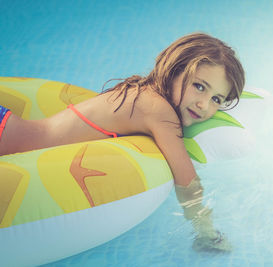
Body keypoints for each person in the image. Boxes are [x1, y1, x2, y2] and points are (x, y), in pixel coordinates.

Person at [0, 33, 245, 252]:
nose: (204, 105)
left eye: (216, 99)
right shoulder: (161, 112)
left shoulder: (143, 91)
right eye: (199, 86)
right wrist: (207, 233)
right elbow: (187, 180)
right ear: (174, 71)